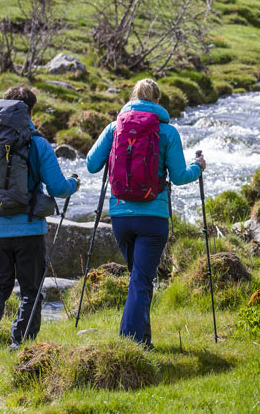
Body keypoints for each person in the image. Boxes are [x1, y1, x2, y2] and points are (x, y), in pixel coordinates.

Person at [86, 78, 205, 348]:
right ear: (158, 101)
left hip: (120, 216)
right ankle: (132, 342)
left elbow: (91, 164)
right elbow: (179, 176)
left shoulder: (115, 127)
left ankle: (142, 339)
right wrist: (198, 167)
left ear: (132, 97)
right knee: (141, 279)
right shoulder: (168, 132)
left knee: (138, 278)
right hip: (153, 218)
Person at [0, 86, 80, 365]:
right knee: (31, 291)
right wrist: (74, 184)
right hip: (29, 231)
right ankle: (22, 347)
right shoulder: (37, 143)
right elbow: (58, 187)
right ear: (30, 111)